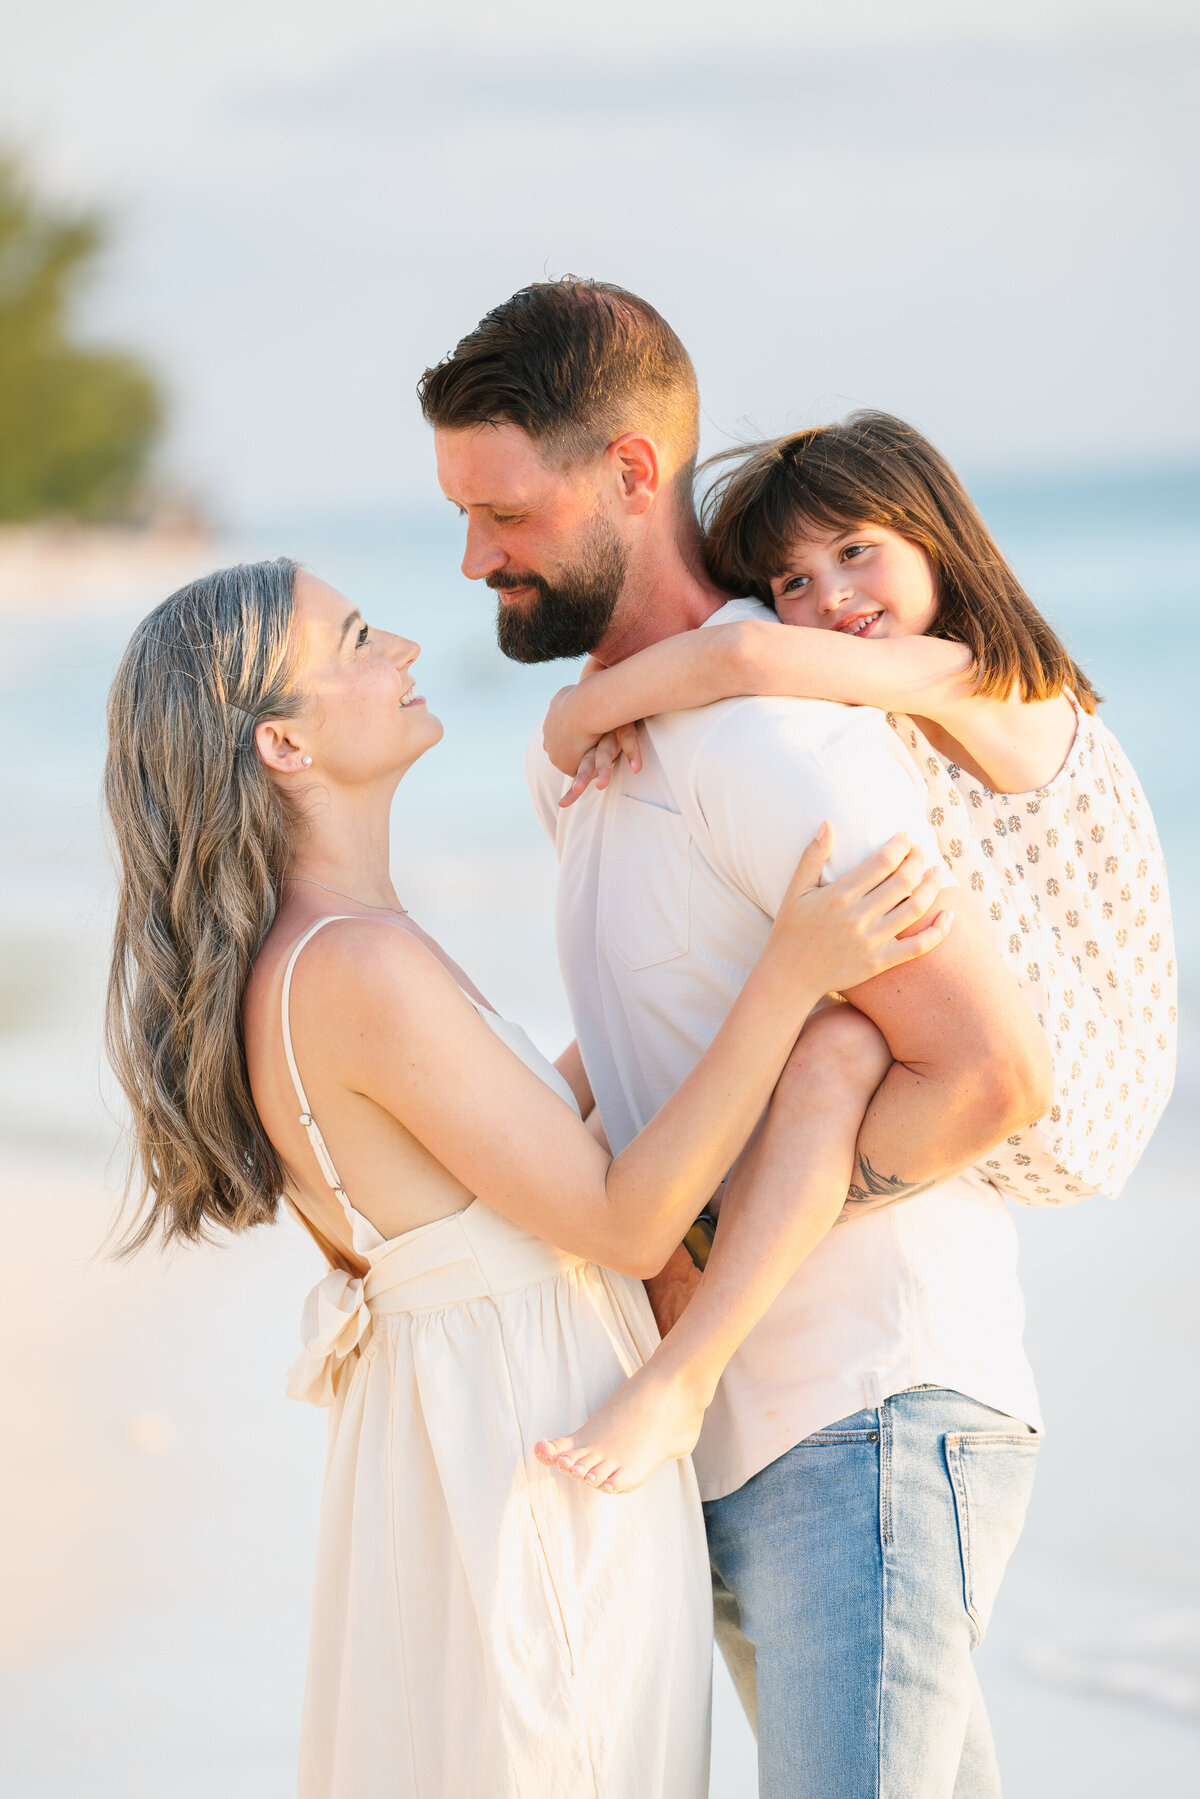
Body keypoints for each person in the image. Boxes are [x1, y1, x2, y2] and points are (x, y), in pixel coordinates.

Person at [102, 556, 950, 1799]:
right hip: (536, 1465)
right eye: (353, 638)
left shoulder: (317, 956)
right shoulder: (355, 964)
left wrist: (663, 908)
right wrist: (788, 966)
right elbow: (623, 1215)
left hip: (482, 1449)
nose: (403, 645)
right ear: (282, 742)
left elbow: (524, 1138)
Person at [422, 278, 1057, 1799]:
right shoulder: (582, 749)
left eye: (502, 511)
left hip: (868, 1415)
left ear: (634, 476)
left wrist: (693, 1240)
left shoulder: (782, 739)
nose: (471, 558)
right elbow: (658, 1039)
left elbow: (986, 1074)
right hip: (733, 1441)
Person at [533, 409, 1176, 1497]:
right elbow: (744, 658)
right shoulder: (873, 701)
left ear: (938, 537)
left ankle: (685, 1365)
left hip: (1079, 1067)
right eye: (792, 579)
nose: (830, 596)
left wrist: (576, 710)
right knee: (716, 1015)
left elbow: (739, 652)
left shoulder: (980, 674)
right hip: (993, 1019)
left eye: (857, 549)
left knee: (827, 1045)